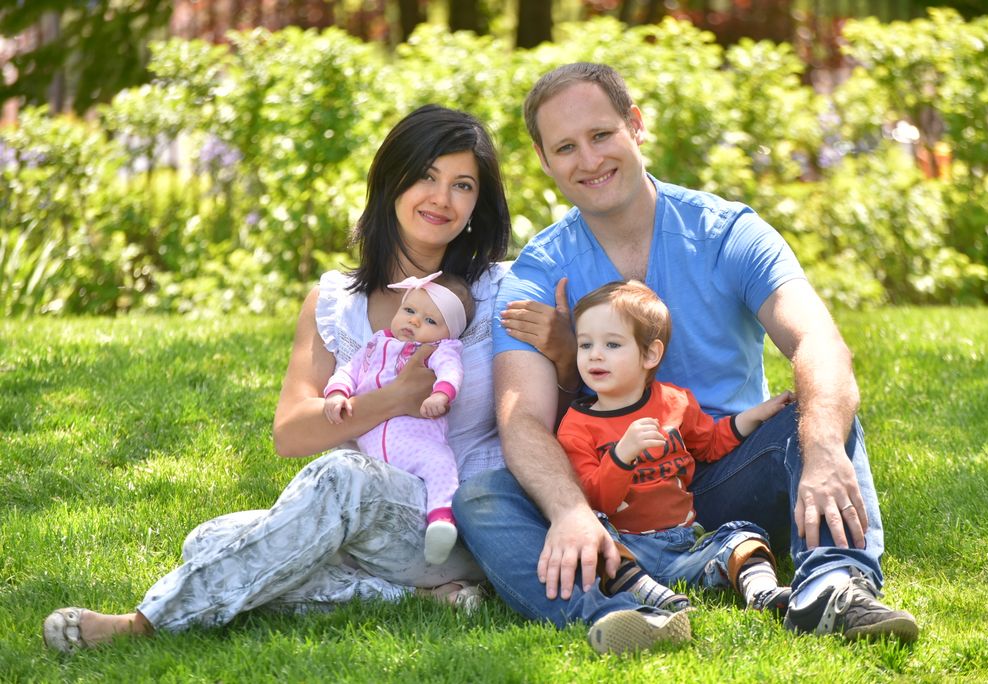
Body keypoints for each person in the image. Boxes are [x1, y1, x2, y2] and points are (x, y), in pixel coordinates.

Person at [454, 62, 919, 652]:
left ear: (635, 125)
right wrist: (570, 511)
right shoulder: (540, 271)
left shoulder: (727, 232)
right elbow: (521, 418)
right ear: (545, 161)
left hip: (727, 469)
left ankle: (831, 588)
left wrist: (824, 451)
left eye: (601, 135)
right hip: (610, 493)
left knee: (818, 410)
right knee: (483, 499)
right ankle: (624, 615)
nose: (589, 160)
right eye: (566, 147)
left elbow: (818, 342)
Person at [42, 104, 513, 653]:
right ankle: (411, 597)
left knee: (341, 475)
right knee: (210, 539)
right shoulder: (336, 302)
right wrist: (392, 399)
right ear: (392, 181)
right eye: (427, 176)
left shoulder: (499, 293)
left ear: (477, 205)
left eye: (462, 185)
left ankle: (142, 623)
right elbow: (291, 433)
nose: (442, 198)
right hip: (357, 523)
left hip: (453, 522)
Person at [559, 280, 795, 647]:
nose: (595, 356)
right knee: (594, 530)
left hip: (685, 544)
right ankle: (648, 593)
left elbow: (710, 444)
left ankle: (762, 592)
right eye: (585, 344)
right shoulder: (577, 426)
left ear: (650, 355)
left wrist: (754, 416)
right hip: (628, 550)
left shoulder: (673, 402)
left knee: (741, 534)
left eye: (612, 344)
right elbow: (594, 498)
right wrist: (622, 455)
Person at [321, 270, 476, 565]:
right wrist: (338, 392)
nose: (414, 321)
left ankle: (441, 521)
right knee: (350, 480)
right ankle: (342, 542)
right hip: (370, 445)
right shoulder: (376, 344)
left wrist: (441, 395)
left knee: (440, 464)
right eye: (410, 310)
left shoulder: (439, 349)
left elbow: (451, 371)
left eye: (431, 321)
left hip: (416, 440)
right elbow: (349, 371)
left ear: (449, 333)